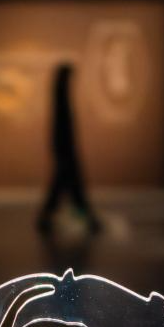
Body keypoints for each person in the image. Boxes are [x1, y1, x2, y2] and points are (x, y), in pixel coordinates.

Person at [37, 63, 100, 233]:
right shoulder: (61, 100)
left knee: (65, 189)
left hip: (64, 150)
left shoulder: (60, 98)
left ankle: (49, 217)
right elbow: (64, 128)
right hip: (65, 151)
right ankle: (86, 218)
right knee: (71, 189)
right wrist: (67, 151)